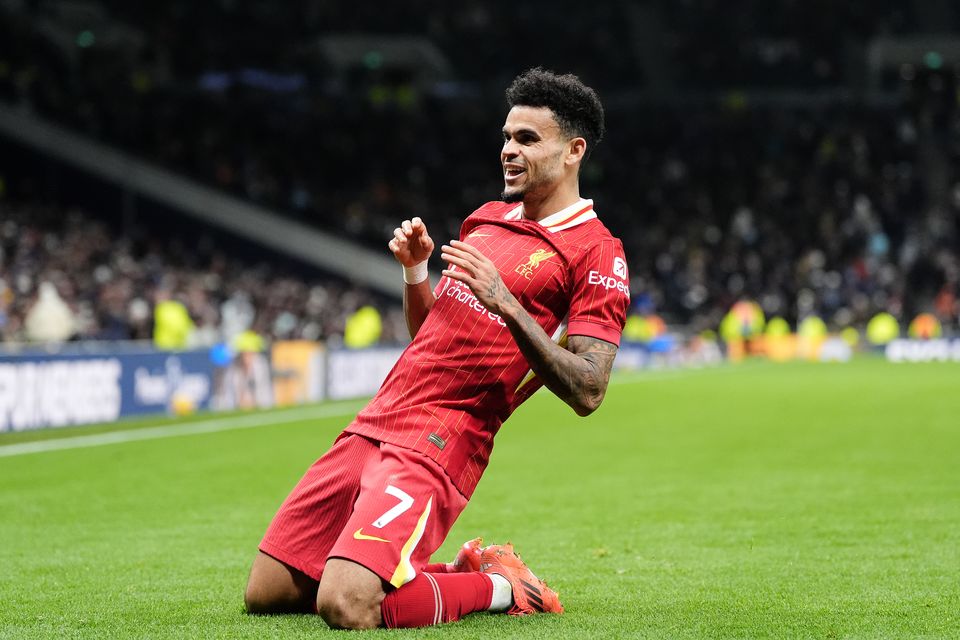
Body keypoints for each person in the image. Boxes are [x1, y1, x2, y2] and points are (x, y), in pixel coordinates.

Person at [244, 68, 630, 629]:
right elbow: (431, 337)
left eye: (527, 139)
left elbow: (590, 388)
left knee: (346, 605)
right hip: (375, 421)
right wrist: (415, 272)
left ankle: (502, 588)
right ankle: (454, 570)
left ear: (573, 150)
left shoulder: (596, 251)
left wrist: (508, 304)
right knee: (269, 592)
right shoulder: (487, 219)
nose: (508, 151)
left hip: (439, 439)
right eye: (506, 137)